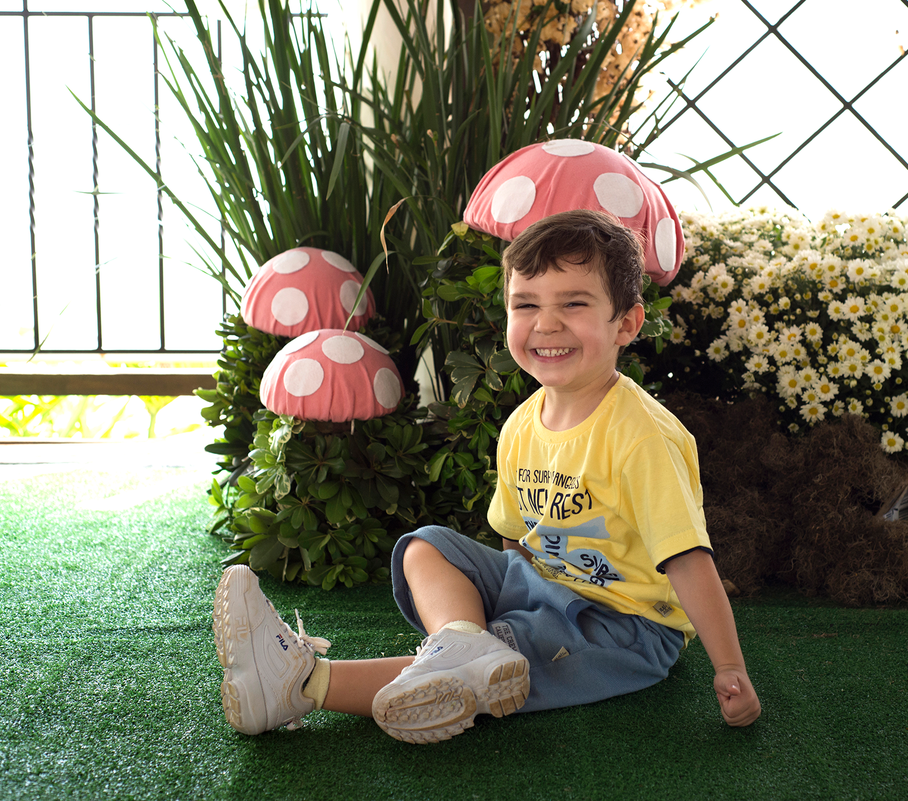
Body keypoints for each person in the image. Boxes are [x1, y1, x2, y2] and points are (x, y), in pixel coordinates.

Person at [212, 208, 761, 743]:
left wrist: (729, 667)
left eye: (574, 303)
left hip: (625, 625)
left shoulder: (641, 437)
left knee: (505, 650)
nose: (546, 323)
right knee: (425, 547)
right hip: (544, 582)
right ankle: (461, 641)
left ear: (627, 324)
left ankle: (300, 685)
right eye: (526, 304)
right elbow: (512, 536)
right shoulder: (523, 423)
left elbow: (688, 558)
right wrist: (505, 591)